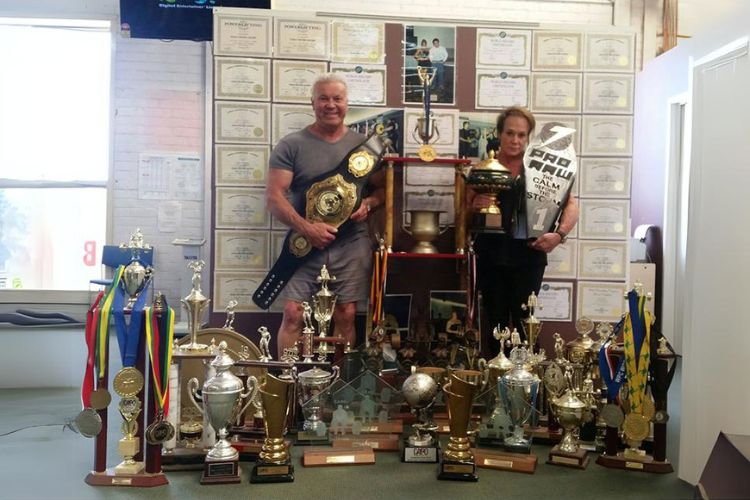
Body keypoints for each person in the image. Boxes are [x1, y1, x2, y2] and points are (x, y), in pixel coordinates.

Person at [266, 73, 385, 356]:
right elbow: (274, 198)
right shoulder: (291, 145)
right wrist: (307, 229)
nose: (330, 105)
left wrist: (368, 204)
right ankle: (290, 389)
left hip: (351, 243)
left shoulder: (365, 146)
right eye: (323, 98)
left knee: (345, 313)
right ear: (313, 103)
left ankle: (337, 390)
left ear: (347, 104)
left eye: (337, 98)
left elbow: (383, 192)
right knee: (294, 313)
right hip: (304, 243)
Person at [468, 106, 579, 355]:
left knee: (525, 323)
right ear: (499, 133)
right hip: (490, 256)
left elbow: (571, 204)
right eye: (510, 133)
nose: (515, 140)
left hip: (529, 257)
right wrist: (473, 205)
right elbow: (463, 208)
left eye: (521, 135)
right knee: (494, 324)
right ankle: (493, 387)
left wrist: (559, 235)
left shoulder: (543, 169)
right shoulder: (484, 168)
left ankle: (527, 389)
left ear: (529, 137)